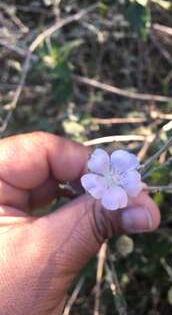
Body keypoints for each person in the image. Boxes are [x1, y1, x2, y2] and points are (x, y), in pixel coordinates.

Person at [0, 132, 160, 314]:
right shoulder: (98, 178)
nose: (115, 176)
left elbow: (127, 183)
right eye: (113, 174)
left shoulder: (121, 179)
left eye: (117, 175)